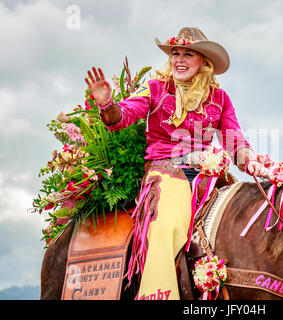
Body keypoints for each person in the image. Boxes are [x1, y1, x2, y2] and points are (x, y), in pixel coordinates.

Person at [84, 27, 270, 300]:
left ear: (204, 62)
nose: (179, 60)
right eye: (175, 54)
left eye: (188, 54)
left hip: (208, 177)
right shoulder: (156, 88)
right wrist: (107, 104)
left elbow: (234, 139)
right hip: (166, 173)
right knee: (167, 225)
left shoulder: (220, 98)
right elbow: (121, 117)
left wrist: (249, 161)